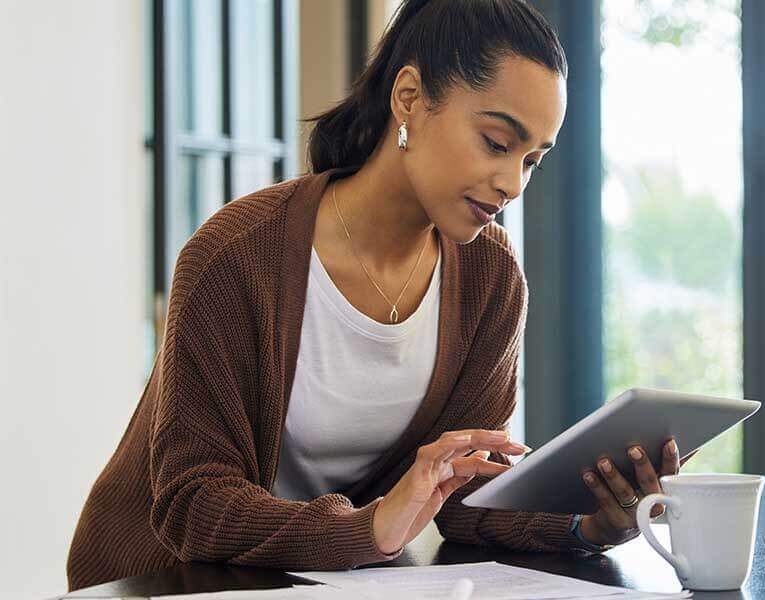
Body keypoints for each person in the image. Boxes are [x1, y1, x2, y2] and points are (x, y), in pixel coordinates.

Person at [66, 0, 686, 591]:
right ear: (409, 98)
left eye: (532, 160)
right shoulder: (237, 255)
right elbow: (193, 505)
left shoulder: (490, 279)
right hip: (161, 580)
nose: (512, 183)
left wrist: (588, 525)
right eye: (498, 143)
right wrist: (369, 526)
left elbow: (462, 496)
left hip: (321, 581)